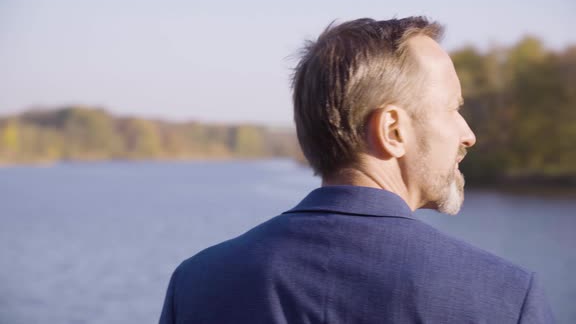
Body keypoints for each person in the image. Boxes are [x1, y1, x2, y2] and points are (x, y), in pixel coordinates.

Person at [159, 16, 554, 323]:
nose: (468, 135)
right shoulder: (503, 295)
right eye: (453, 109)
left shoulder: (197, 283)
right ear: (392, 130)